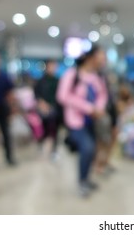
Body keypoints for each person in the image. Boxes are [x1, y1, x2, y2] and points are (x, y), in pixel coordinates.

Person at [57, 45, 108, 197]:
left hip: (93, 121)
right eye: (99, 57)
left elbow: (102, 95)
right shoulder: (72, 75)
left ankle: (86, 178)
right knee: (87, 148)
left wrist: (98, 109)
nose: (101, 61)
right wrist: (88, 108)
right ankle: (82, 182)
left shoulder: (97, 76)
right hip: (76, 121)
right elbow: (63, 96)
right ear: (90, 58)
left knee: (92, 150)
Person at [34, 60, 61, 159]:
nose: (53, 68)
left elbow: (61, 96)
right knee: (44, 129)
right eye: (51, 66)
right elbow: (36, 94)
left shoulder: (58, 80)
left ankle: (54, 150)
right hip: (44, 109)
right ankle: (41, 144)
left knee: (55, 130)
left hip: (56, 109)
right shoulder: (41, 81)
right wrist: (42, 104)